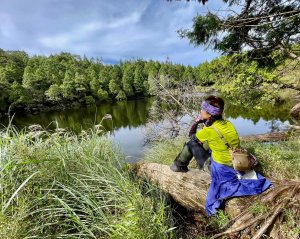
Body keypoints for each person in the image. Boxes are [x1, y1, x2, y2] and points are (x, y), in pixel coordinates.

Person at [170, 95, 272, 216]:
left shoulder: (209, 131)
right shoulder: (228, 124)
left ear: (209, 114)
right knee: (210, 146)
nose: (200, 111)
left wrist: (197, 122)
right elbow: (217, 140)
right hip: (237, 164)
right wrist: (206, 123)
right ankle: (179, 164)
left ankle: (178, 165)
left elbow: (192, 136)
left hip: (221, 169)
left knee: (191, 144)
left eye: (202, 110)